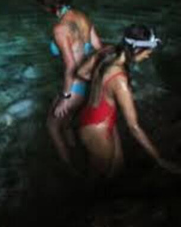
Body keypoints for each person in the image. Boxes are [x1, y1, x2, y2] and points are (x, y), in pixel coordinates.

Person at [77, 24, 181, 177]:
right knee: (99, 180)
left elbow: (81, 72)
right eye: (147, 52)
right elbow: (134, 127)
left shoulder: (109, 51)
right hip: (96, 128)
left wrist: (101, 83)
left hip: (93, 116)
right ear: (137, 49)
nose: (148, 56)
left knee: (116, 169)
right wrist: (159, 159)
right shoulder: (119, 79)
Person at [34, 0, 102, 170]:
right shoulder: (82, 16)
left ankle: (70, 171)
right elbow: (99, 48)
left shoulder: (60, 28)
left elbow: (71, 65)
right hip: (87, 83)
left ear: (46, 6)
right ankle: (80, 158)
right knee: (67, 125)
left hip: (73, 87)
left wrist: (65, 97)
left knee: (52, 126)